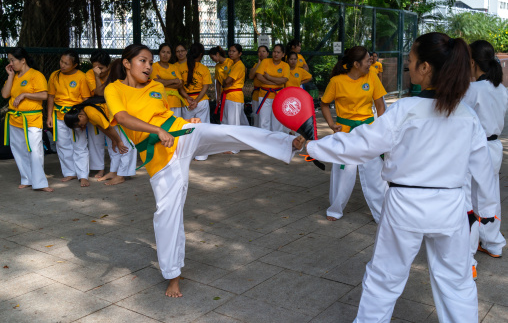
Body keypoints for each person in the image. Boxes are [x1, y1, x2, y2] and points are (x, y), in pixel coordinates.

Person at [306, 33, 498, 323]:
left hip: (404, 205)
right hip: (450, 208)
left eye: (410, 60)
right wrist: (485, 215)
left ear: (425, 68)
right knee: (457, 282)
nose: (407, 66)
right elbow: (483, 174)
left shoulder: (405, 111)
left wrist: (311, 146)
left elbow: (358, 145)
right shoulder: (467, 115)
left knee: (384, 278)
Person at [103, 44, 305, 298]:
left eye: (150, 61)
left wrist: (187, 123)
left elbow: (164, 116)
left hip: (182, 134)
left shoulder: (156, 86)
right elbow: (121, 118)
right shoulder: (114, 89)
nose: (148, 66)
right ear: (126, 63)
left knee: (228, 131)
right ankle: (173, 275)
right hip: (159, 157)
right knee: (167, 215)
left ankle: (288, 143)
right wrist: (157, 131)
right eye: (142, 61)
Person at [320, 47, 388, 222]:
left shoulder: (372, 76)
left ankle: (382, 213)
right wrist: (331, 124)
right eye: (366, 60)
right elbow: (324, 103)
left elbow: (380, 105)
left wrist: (381, 128)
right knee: (343, 171)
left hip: (369, 131)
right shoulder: (336, 81)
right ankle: (335, 209)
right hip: (345, 132)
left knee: (375, 172)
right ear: (356, 64)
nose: (370, 62)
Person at [463, 40, 507, 278]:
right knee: (490, 197)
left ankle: (467, 257)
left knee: (469, 200)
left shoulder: (473, 90)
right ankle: (493, 243)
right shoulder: (500, 88)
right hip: (494, 147)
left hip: (475, 148)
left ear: (472, 62)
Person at [1, 47, 53, 192]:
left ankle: (40, 183)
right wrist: (10, 75)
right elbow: (5, 95)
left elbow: (44, 95)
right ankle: (27, 179)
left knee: (35, 150)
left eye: (13, 60)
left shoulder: (36, 75)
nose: (10, 63)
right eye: (9, 60)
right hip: (14, 119)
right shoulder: (14, 77)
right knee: (19, 150)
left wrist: (25, 94)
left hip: (32, 118)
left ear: (23, 60)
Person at [63, 98, 137, 185]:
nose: (83, 127)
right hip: (113, 121)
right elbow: (101, 127)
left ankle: (121, 176)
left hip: (120, 119)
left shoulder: (91, 112)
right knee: (114, 148)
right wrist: (114, 140)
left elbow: (108, 128)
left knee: (125, 147)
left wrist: (119, 141)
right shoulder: (87, 113)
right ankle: (114, 172)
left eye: (81, 125)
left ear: (80, 117)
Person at [47, 50, 91, 187]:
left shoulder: (81, 77)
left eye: (67, 63)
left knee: (80, 145)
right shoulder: (55, 75)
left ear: (75, 65)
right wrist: (49, 116)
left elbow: (86, 99)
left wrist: (83, 119)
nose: (63, 65)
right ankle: (70, 172)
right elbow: (51, 97)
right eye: (61, 61)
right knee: (63, 145)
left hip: (75, 116)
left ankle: (83, 175)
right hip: (58, 114)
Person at [178, 42, 212, 160]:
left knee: (187, 128)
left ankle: (187, 154)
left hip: (186, 101)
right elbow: (205, 87)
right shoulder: (204, 68)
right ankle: (202, 155)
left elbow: (179, 86)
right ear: (201, 54)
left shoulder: (180, 67)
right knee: (202, 127)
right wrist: (197, 100)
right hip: (201, 101)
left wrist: (188, 98)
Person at [85, 50, 111, 178]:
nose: (97, 70)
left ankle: (116, 168)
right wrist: (96, 76)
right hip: (94, 109)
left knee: (113, 139)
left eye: (100, 68)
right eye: (94, 67)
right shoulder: (90, 74)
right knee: (95, 139)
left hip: (111, 108)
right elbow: (99, 92)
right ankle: (99, 168)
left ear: (109, 66)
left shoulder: (114, 73)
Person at [255, 44, 290, 132]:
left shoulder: (285, 66)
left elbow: (284, 80)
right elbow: (259, 76)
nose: (276, 54)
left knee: (277, 122)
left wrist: (269, 77)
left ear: (283, 54)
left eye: (278, 52)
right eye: (274, 51)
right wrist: (274, 82)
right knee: (264, 121)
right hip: (264, 95)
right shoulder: (265, 62)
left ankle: (276, 143)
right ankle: (264, 142)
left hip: (278, 96)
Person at [151, 43, 185, 117]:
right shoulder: (154, 66)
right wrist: (173, 80)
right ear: (159, 53)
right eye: (163, 52)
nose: (165, 55)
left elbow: (180, 84)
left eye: (168, 52)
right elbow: (156, 82)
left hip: (176, 102)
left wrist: (162, 81)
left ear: (171, 55)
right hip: (161, 101)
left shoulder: (174, 67)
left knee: (176, 126)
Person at [248, 45, 269, 127]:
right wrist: (259, 64)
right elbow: (251, 76)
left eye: (264, 51)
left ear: (267, 53)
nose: (261, 53)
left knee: (266, 118)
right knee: (256, 117)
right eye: (259, 52)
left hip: (267, 93)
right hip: (256, 94)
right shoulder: (256, 65)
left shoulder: (270, 64)